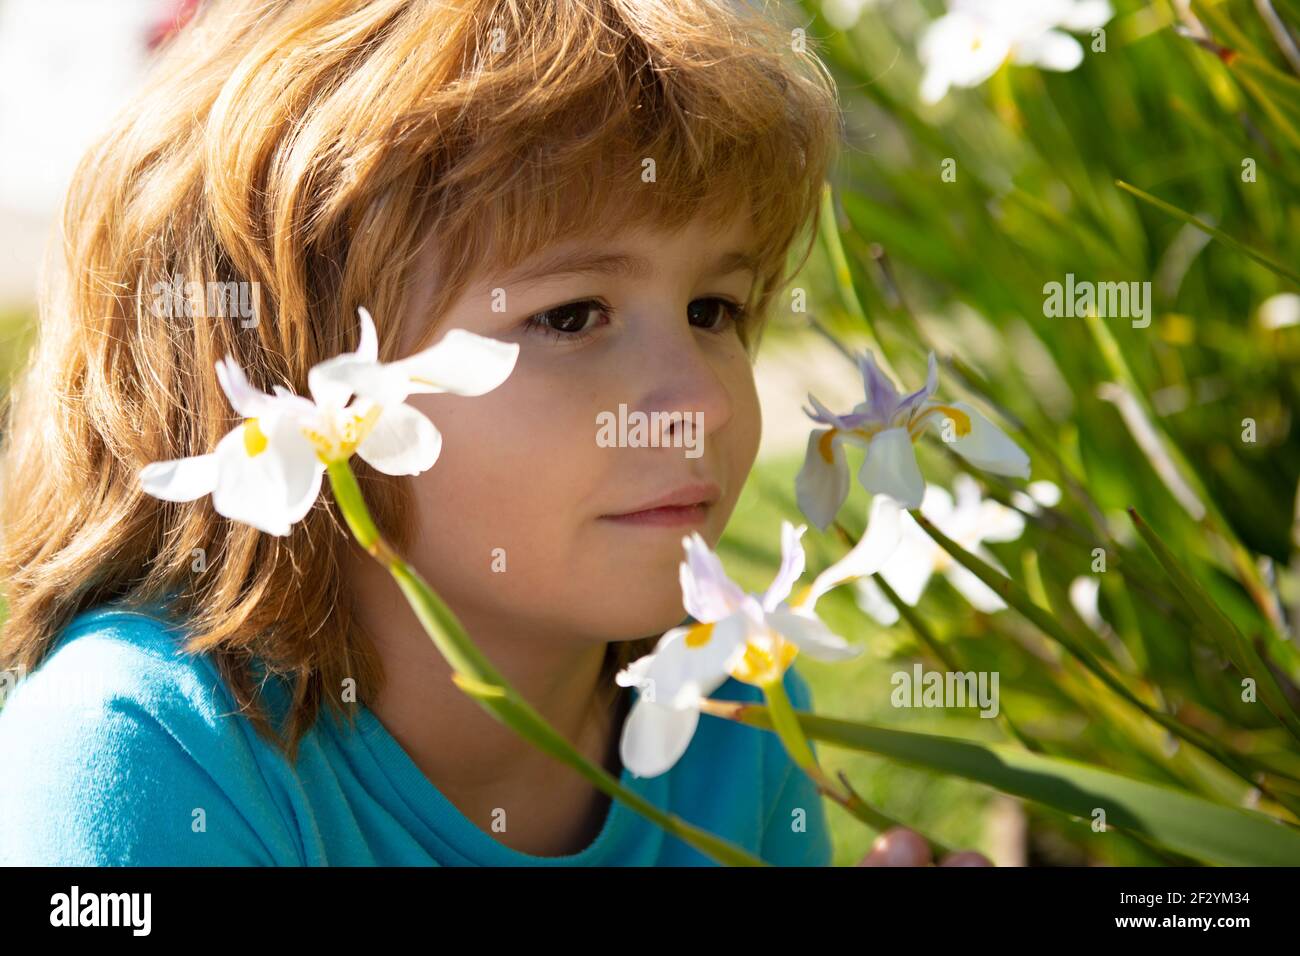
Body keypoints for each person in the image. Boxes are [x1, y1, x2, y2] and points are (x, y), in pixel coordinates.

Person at [0, 0, 986, 867]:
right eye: (570, 316)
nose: (706, 401)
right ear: (281, 378)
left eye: (715, 309)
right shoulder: (142, 753)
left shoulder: (729, 705)